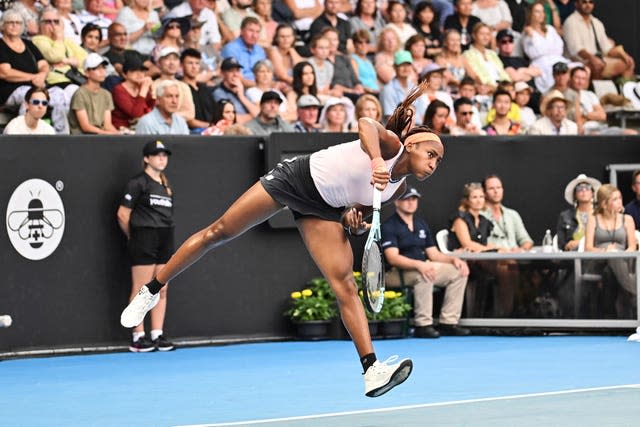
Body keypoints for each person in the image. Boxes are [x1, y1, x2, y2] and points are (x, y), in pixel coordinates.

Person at [120, 80, 446, 398]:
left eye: (439, 161)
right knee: (219, 232)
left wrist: (354, 222)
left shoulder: (397, 188)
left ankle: (371, 370)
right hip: (296, 178)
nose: (434, 164)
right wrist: (376, 159)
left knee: (345, 284)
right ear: (413, 145)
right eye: (432, 154)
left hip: (323, 208)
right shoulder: (391, 145)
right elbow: (365, 123)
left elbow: (353, 211)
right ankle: (151, 290)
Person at [382, 186, 470, 338]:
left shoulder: (421, 224)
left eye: (414, 199)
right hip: (395, 273)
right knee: (425, 274)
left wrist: (453, 259)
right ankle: (423, 325)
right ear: (397, 202)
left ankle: (448, 322)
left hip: (422, 267)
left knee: (458, 272)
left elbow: (434, 254)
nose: (411, 202)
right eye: (406, 199)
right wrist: (420, 264)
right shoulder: (389, 226)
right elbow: (392, 258)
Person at [117, 140, 176, 353]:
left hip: (165, 237)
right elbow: (123, 215)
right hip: (143, 238)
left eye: (164, 154)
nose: (161, 158)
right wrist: (135, 236)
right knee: (142, 288)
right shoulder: (137, 183)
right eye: (156, 154)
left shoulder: (165, 185)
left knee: (162, 286)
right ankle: (138, 335)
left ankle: (157, 334)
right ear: (146, 158)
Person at [0, 9, 70, 134]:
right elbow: (5, 72)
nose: (14, 25)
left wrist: (42, 76)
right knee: (30, 95)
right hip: (10, 90)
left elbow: (43, 64)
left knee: (59, 94)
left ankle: (61, 136)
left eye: (18, 23)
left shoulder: (28, 44)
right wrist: (33, 77)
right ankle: (26, 135)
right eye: (10, 22)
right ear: (2, 25)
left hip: (36, 86)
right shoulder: (1, 45)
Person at [482, 174, 533, 316]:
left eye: (498, 187)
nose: (496, 191)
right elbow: (478, 243)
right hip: (492, 258)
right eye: (491, 188)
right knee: (508, 266)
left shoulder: (512, 214)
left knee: (540, 271)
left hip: (516, 257)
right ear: (485, 193)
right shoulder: (479, 215)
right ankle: (508, 315)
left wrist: (521, 249)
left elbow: (527, 240)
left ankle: (531, 312)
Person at [585, 184, 637, 314]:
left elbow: (632, 247)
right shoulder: (593, 219)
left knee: (610, 270)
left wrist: (619, 254)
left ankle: (609, 315)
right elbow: (588, 248)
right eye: (615, 199)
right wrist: (605, 252)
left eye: (620, 198)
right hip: (597, 261)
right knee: (612, 259)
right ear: (604, 204)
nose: (619, 201)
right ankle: (635, 297)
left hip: (622, 261)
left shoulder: (628, 219)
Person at [562, 0, 635, 81]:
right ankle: (597, 92)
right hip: (577, 61)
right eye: (584, 2)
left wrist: (623, 55)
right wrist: (593, 59)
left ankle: (625, 90)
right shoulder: (570, 22)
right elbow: (576, 50)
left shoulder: (597, 23)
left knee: (628, 62)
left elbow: (607, 49)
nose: (588, 5)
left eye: (590, 2)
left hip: (598, 60)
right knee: (597, 65)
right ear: (576, 4)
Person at [521, 1, 571, 94]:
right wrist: (533, 36)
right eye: (537, 11)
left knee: (578, 70)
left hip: (558, 59)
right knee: (554, 75)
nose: (541, 14)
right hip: (541, 64)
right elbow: (535, 52)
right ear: (530, 14)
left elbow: (559, 47)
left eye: (542, 11)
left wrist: (547, 50)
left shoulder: (550, 29)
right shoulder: (527, 32)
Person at [68, 53, 121, 135]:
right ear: (86, 72)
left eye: (103, 68)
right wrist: (106, 134)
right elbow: (85, 127)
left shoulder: (106, 94)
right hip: (82, 139)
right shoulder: (80, 94)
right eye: (97, 68)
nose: (102, 71)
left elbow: (107, 125)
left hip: (100, 137)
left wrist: (119, 135)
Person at [556, 173, 600, 252]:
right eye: (579, 188)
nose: (583, 190)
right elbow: (562, 244)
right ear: (575, 195)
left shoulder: (600, 213)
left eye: (587, 188)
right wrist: (568, 245)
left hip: (597, 253)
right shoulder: (565, 216)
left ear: (593, 193)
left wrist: (581, 243)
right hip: (573, 255)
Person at [463, 23, 511, 95]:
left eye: (488, 34)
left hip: (501, 87)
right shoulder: (467, 54)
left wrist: (505, 86)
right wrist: (493, 87)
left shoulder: (492, 54)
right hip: (485, 90)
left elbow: (502, 72)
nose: (485, 37)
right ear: (474, 35)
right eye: (482, 34)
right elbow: (476, 77)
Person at [112, 54, 155, 131]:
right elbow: (135, 114)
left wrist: (152, 91)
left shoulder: (142, 87)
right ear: (124, 74)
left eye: (142, 71)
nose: (139, 74)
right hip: (121, 131)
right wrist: (143, 90)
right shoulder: (119, 90)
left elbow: (152, 110)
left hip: (140, 128)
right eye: (134, 70)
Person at [212, 57, 260, 124]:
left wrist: (241, 96)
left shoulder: (242, 90)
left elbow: (259, 114)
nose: (235, 74)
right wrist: (253, 116)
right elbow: (234, 119)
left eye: (237, 70)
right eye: (231, 71)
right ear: (222, 74)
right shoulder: (218, 93)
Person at [220, 16, 266, 85]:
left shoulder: (260, 50)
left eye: (257, 32)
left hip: (260, 86)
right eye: (251, 31)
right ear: (241, 31)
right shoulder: (231, 49)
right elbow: (235, 78)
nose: (254, 35)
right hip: (240, 87)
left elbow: (266, 75)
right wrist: (260, 85)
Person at [180, 48, 216, 133]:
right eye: (190, 63)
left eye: (197, 63)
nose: (194, 67)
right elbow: (187, 119)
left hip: (211, 131)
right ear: (182, 65)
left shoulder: (204, 88)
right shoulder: (179, 88)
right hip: (190, 133)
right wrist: (210, 126)